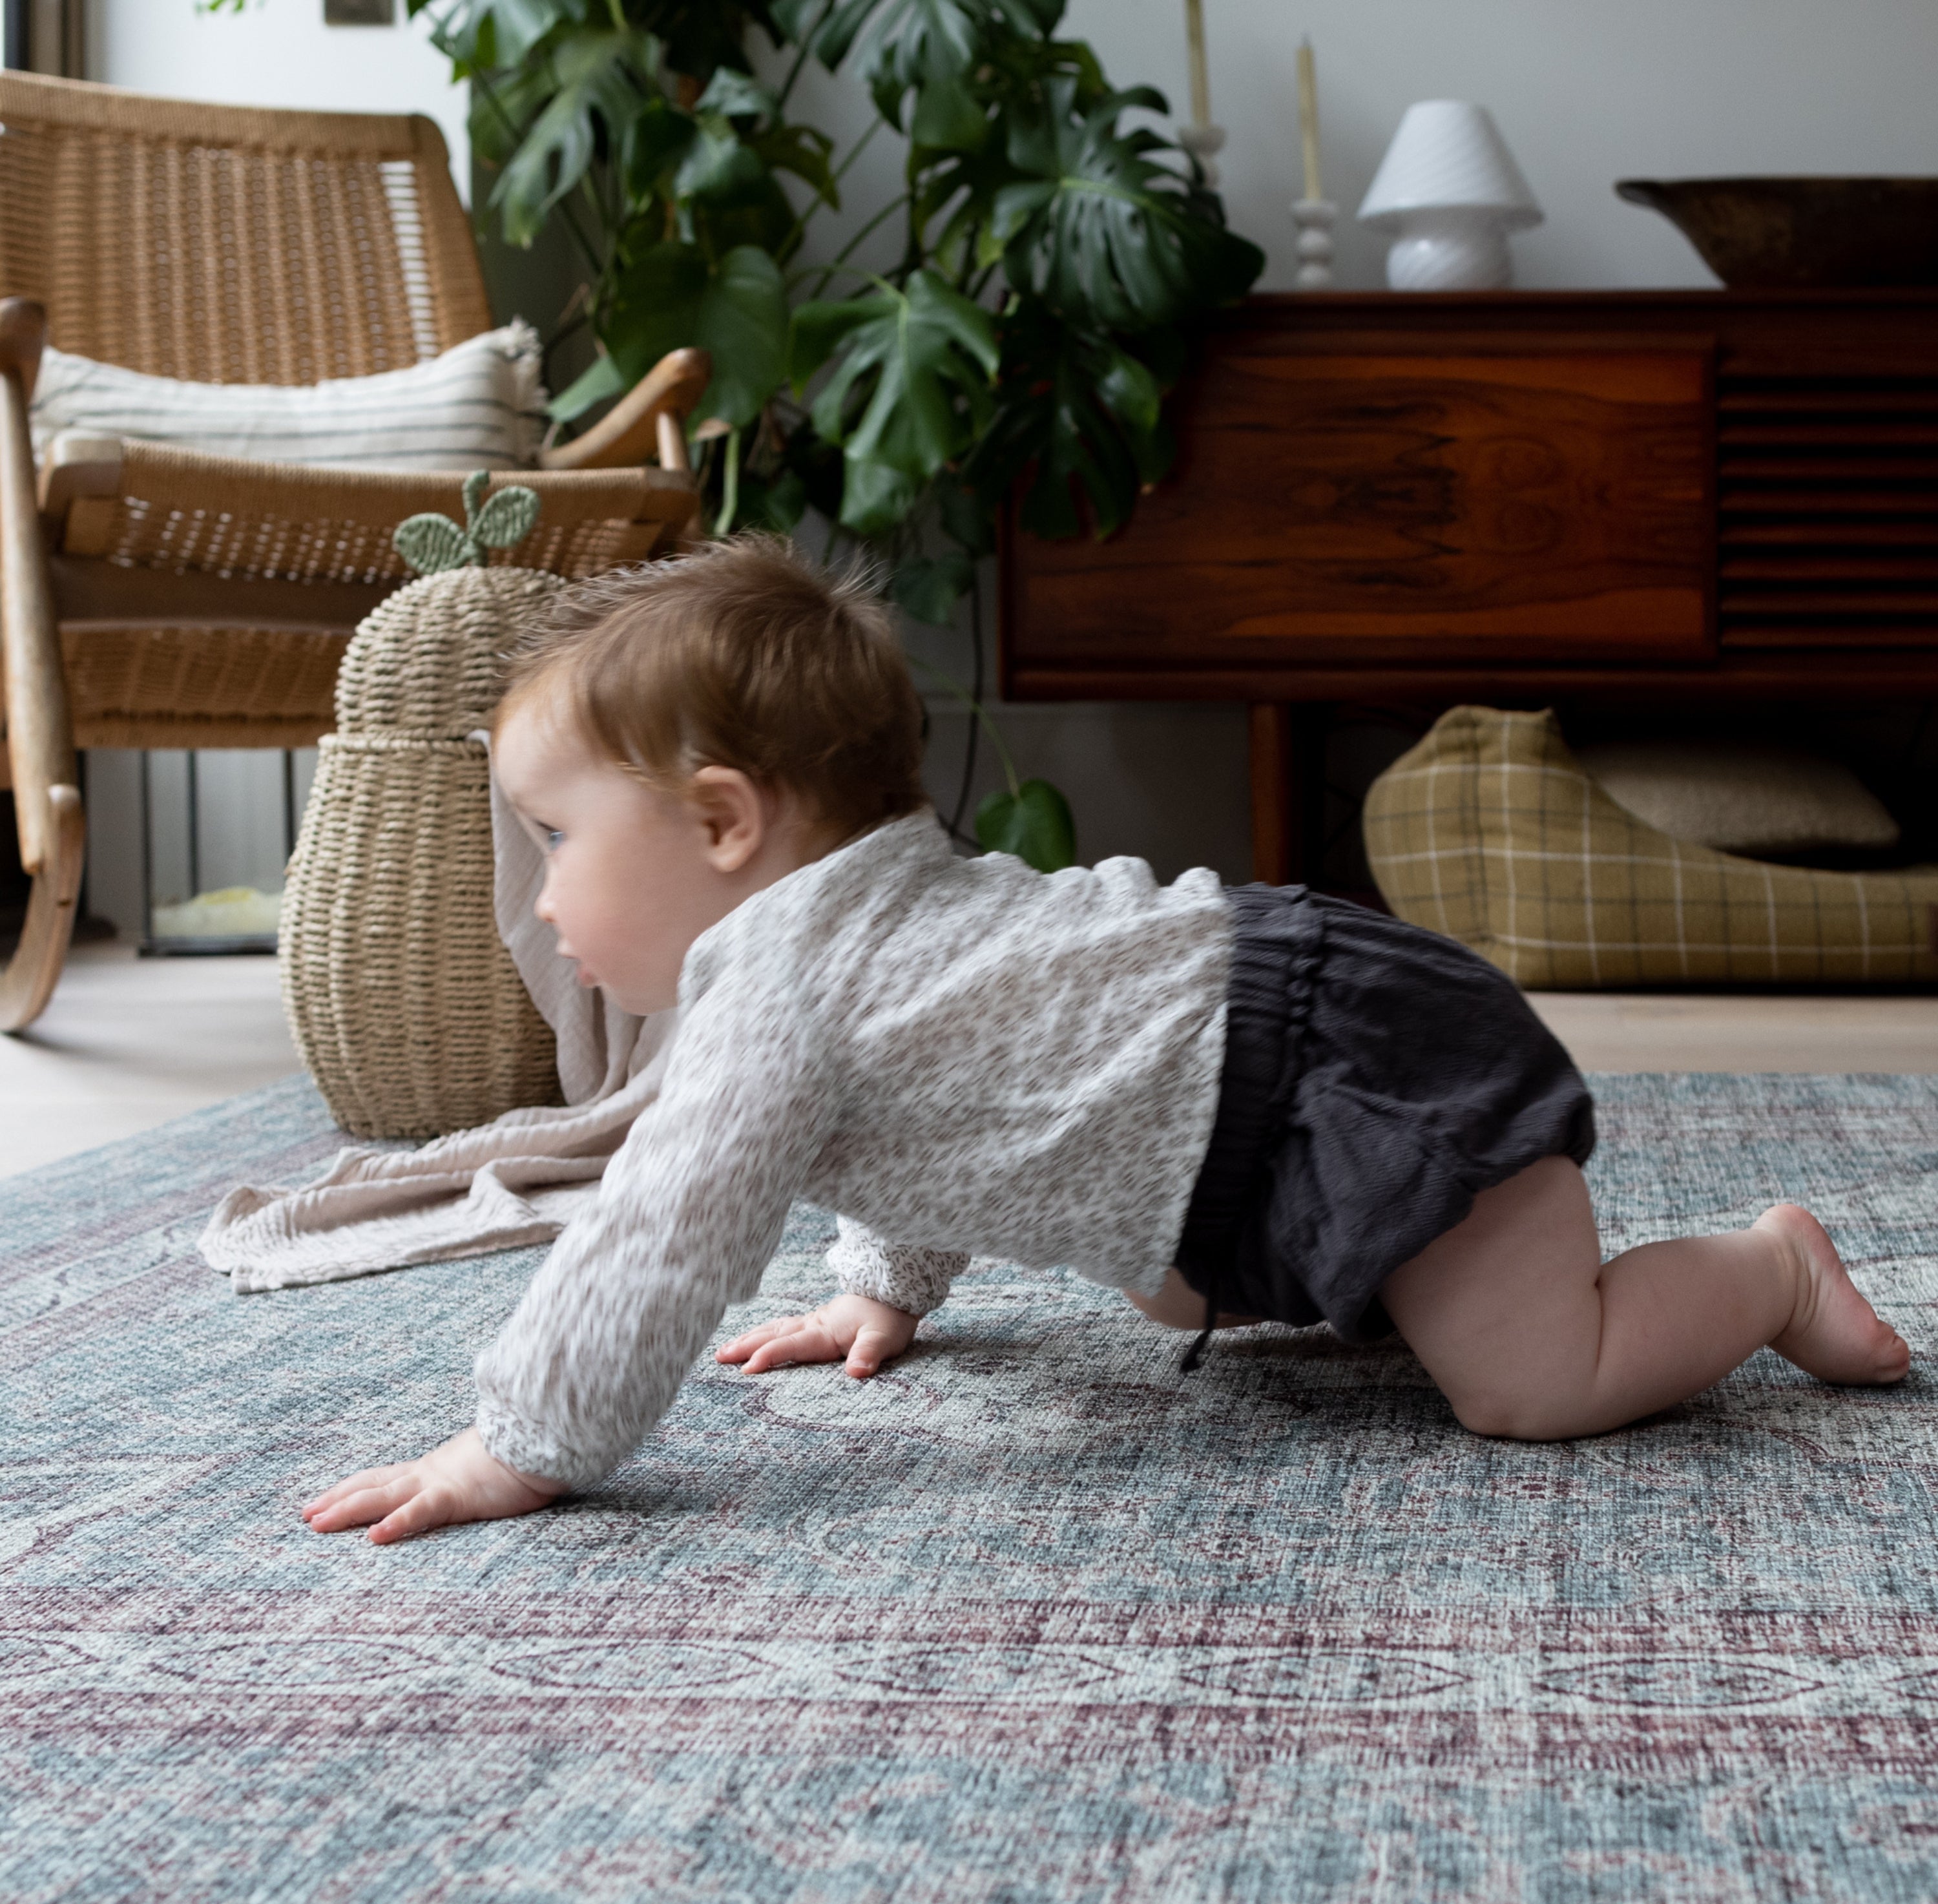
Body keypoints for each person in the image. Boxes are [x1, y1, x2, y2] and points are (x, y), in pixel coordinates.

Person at [304, 537, 1910, 1547]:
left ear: (723, 823)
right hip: (1246, 1107)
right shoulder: (844, 943)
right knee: (1171, 1281)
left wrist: (521, 1444)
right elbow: (926, 1091)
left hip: (1355, 1059)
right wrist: (885, 1283)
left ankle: (1766, 1269)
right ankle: (1373, 1267)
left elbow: (657, 1238)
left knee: (1533, 1384)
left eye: (554, 837)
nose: (543, 894)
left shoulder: (787, 986)